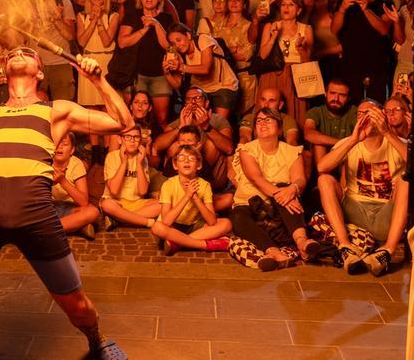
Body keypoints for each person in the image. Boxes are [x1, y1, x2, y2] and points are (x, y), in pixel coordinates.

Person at [0, 43, 134, 360]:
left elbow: (123, 121)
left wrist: (98, 80)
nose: (18, 52)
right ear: (5, 69)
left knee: (77, 307)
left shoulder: (55, 110)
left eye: (28, 53)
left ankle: (96, 338)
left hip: (35, 216)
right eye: (13, 53)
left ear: (39, 71)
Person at [316, 100, 409, 277]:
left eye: (371, 112)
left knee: (406, 181)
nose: (365, 116)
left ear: (381, 115)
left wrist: (387, 133)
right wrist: (353, 140)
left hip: (385, 212)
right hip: (355, 209)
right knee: (325, 180)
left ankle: (387, 251)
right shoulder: (348, 142)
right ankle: (345, 247)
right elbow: (322, 167)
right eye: (360, 113)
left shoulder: (397, 142)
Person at [228, 107, 318, 271]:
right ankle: (274, 252)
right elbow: (256, 178)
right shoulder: (247, 150)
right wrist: (282, 193)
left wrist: (293, 189)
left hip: (280, 210)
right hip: (251, 205)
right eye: (259, 121)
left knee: (287, 189)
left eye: (268, 120)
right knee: (237, 215)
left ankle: (302, 242)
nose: (263, 123)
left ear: (280, 128)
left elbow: (300, 179)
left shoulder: (292, 151)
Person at [151, 144, 231, 255]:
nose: (186, 161)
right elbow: (166, 221)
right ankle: (204, 245)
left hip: (194, 226)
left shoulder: (204, 185)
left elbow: (212, 221)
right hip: (173, 226)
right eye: (182, 158)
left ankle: (177, 243)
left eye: (191, 159)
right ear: (175, 165)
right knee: (157, 227)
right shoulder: (168, 185)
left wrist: (196, 198)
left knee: (226, 224)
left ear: (198, 165)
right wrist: (187, 196)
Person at [116, 0, 176, 125]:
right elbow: (122, 42)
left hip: (161, 75)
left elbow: (168, 46)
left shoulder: (166, 18)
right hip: (137, 74)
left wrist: (155, 24)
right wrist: (143, 30)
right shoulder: (132, 15)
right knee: (135, 117)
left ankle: (156, 146)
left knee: (161, 118)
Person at [331, 0, 392, 103]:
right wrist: (342, 8)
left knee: (376, 106)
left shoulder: (385, 3)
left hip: (376, 66)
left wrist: (366, 9)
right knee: (351, 108)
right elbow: (334, 29)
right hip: (350, 66)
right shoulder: (348, 2)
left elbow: (384, 29)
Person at [255, 0, 312, 127]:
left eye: (291, 4)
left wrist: (300, 48)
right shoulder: (270, 26)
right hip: (271, 74)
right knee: (268, 112)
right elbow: (263, 55)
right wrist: (273, 37)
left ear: (298, 10)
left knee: (294, 112)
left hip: (294, 76)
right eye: (283, 4)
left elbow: (307, 61)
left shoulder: (306, 29)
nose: (286, 8)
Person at [163, 24, 239, 119]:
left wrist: (180, 67)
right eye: (173, 43)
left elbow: (205, 69)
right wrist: (167, 73)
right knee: (196, 122)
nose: (177, 45)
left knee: (219, 122)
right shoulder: (179, 54)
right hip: (201, 90)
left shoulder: (203, 39)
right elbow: (177, 85)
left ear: (188, 35)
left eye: (179, 40)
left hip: (223, 86)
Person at [101, 126, 161, 227]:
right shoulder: (112, 157)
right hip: (116, 203)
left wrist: (139, 163)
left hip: (137, 204)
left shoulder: (142, 159)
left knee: (161, 205)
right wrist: (124, 163)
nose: (132, 141)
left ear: (140, 141)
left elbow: (142, 191)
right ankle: (145, 222)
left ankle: (119, 220)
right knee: (106, 205)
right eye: (128, 137)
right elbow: (114, 191)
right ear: (120, 140)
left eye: (136, 137)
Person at [76, 0, 119, 109]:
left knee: (108, 106)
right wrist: (93, 20)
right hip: (88, 63)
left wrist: (99, 19)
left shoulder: (113, 16)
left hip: (106, 63)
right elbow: (82, 42)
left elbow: (106, 42)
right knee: (90, 109)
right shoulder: (81, 16)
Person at [49, 133, 98, 239]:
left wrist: (63, 181)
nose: (60, 147)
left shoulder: (76, 164)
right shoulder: (45, 162)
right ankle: (77, 227)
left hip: (70, 209)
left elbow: (83, 202)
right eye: (57, 143)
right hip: (49, 208)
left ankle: (47, 230)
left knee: (92, 211)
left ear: (72, 150)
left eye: (65, 144)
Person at [304, 78, 359, 170]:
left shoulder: (354, 111)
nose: (336, 99)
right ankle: (323, 178)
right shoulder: (316, 112)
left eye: (342, 95)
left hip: (347, 161)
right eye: (332, 93)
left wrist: (345, 146)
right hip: (324, 165)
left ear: (348, 98)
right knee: (318, 144)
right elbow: (309, 134)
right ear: (325, 94)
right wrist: (342, 143)